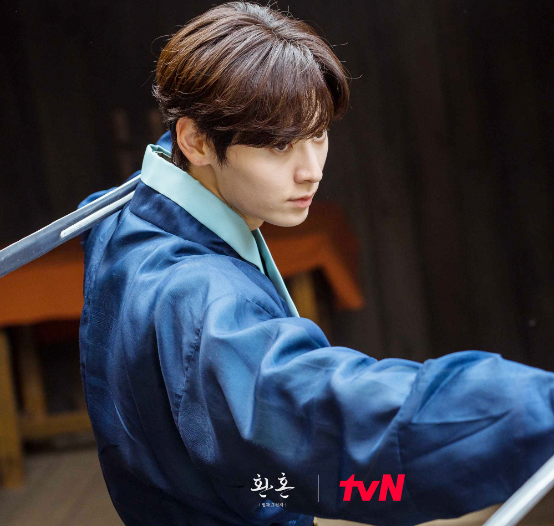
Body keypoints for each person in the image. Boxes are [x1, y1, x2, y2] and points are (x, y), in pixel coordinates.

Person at [78, 2, 554, 525]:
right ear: (196, 141)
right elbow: (324, 411)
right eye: (280, 145)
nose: (311, 170)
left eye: (319, 133)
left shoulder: (129, 215)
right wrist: (532, 411)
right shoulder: (203, 294)